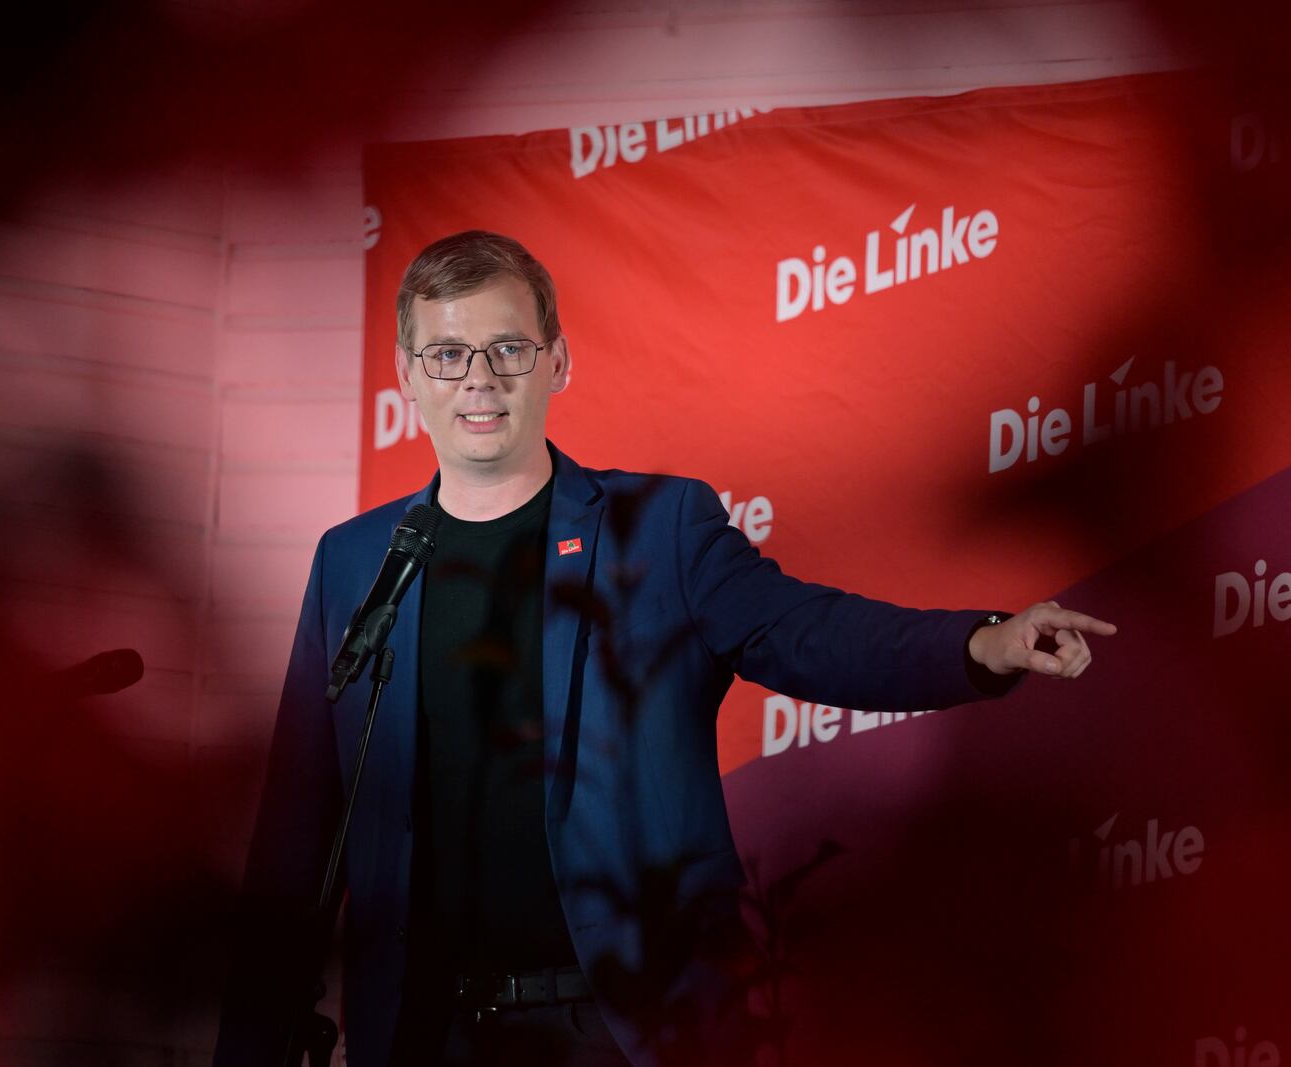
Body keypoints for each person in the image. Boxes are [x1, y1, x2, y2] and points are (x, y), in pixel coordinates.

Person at [214, 231, 1116, 1067]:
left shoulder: (661, 528)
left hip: (618, 1032)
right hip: (420, 1035)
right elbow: (300, 821)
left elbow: (803, 631)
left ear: (556, 361)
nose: (478, 379)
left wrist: (980, 643)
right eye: (448, 355)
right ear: (409, 375)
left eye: (508, 349)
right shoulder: (356, 561)